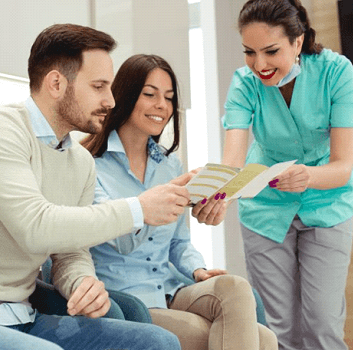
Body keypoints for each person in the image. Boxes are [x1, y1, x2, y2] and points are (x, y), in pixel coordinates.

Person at [0, 24, 186, 350]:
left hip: (21, 315)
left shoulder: (80, 162)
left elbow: (70, 250)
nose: (110, 101)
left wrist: (81, 281)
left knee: (157, 343)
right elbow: (37, 227)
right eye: (98, 87)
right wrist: (139, 208)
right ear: (56, 83)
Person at [82, 53, 278, 350]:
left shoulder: (170, 166)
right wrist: (159, 201)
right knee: (262, 339)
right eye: (150, 94)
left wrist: (198, 270)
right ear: (125, 95)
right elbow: (119, 240)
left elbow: (178, 243)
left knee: (236, 287)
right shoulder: (90, 166)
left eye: (169, 97)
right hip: (127, 298)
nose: (162, 105)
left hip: (173, 289)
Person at [221, 1, 353, 349]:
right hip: (264, 207)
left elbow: (342, 166)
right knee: (277, 330)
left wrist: (307, 176)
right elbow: (232, 162)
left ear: (298, 41)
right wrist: (216, 193)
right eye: (250, 52)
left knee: (323, 326)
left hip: (328, 201)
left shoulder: (336, 72)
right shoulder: (244, 84)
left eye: (271, 51)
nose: (259, 65)